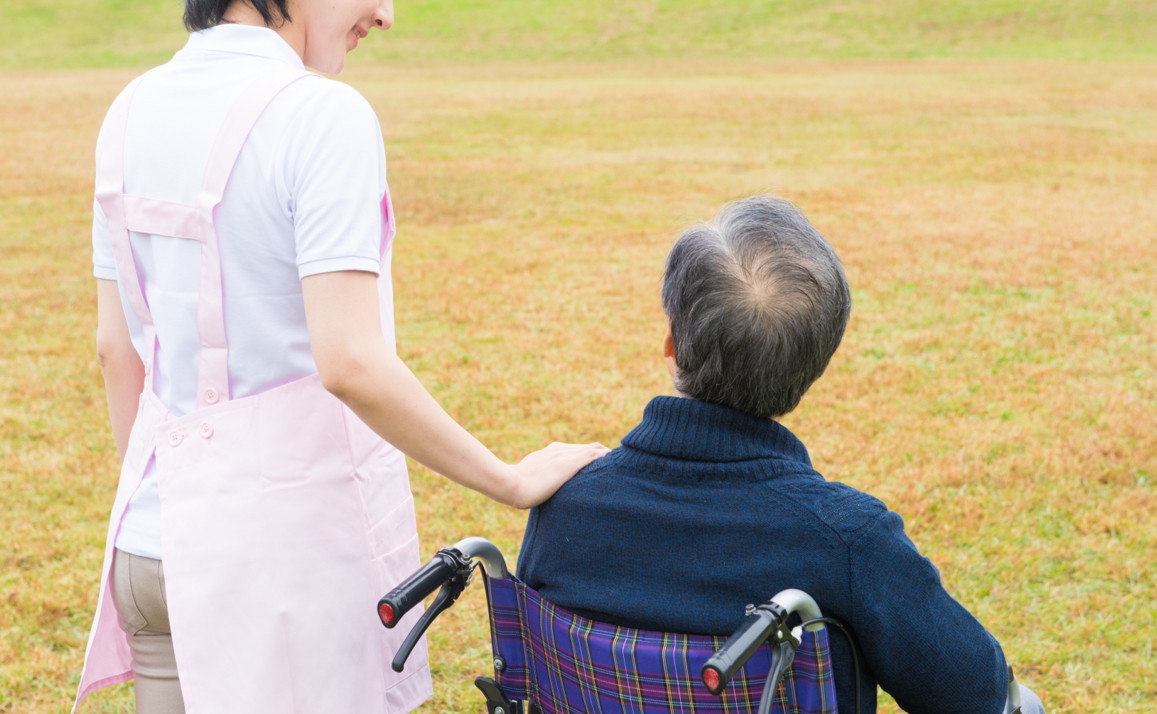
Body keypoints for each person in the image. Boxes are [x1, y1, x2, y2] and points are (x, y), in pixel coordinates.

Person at [79, 0, 608, 712]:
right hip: (277, 567)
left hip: (149, 543)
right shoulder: (321, 115)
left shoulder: (129, 110)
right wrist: (506, 480)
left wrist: (175, 508)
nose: (385, 15)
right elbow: (350, 361)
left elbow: (118, 351)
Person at [517, 195, 1044, 714]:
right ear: (816, 363)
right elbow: (979, 696)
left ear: (672, 341)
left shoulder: (566, 504)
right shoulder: (850, 539)